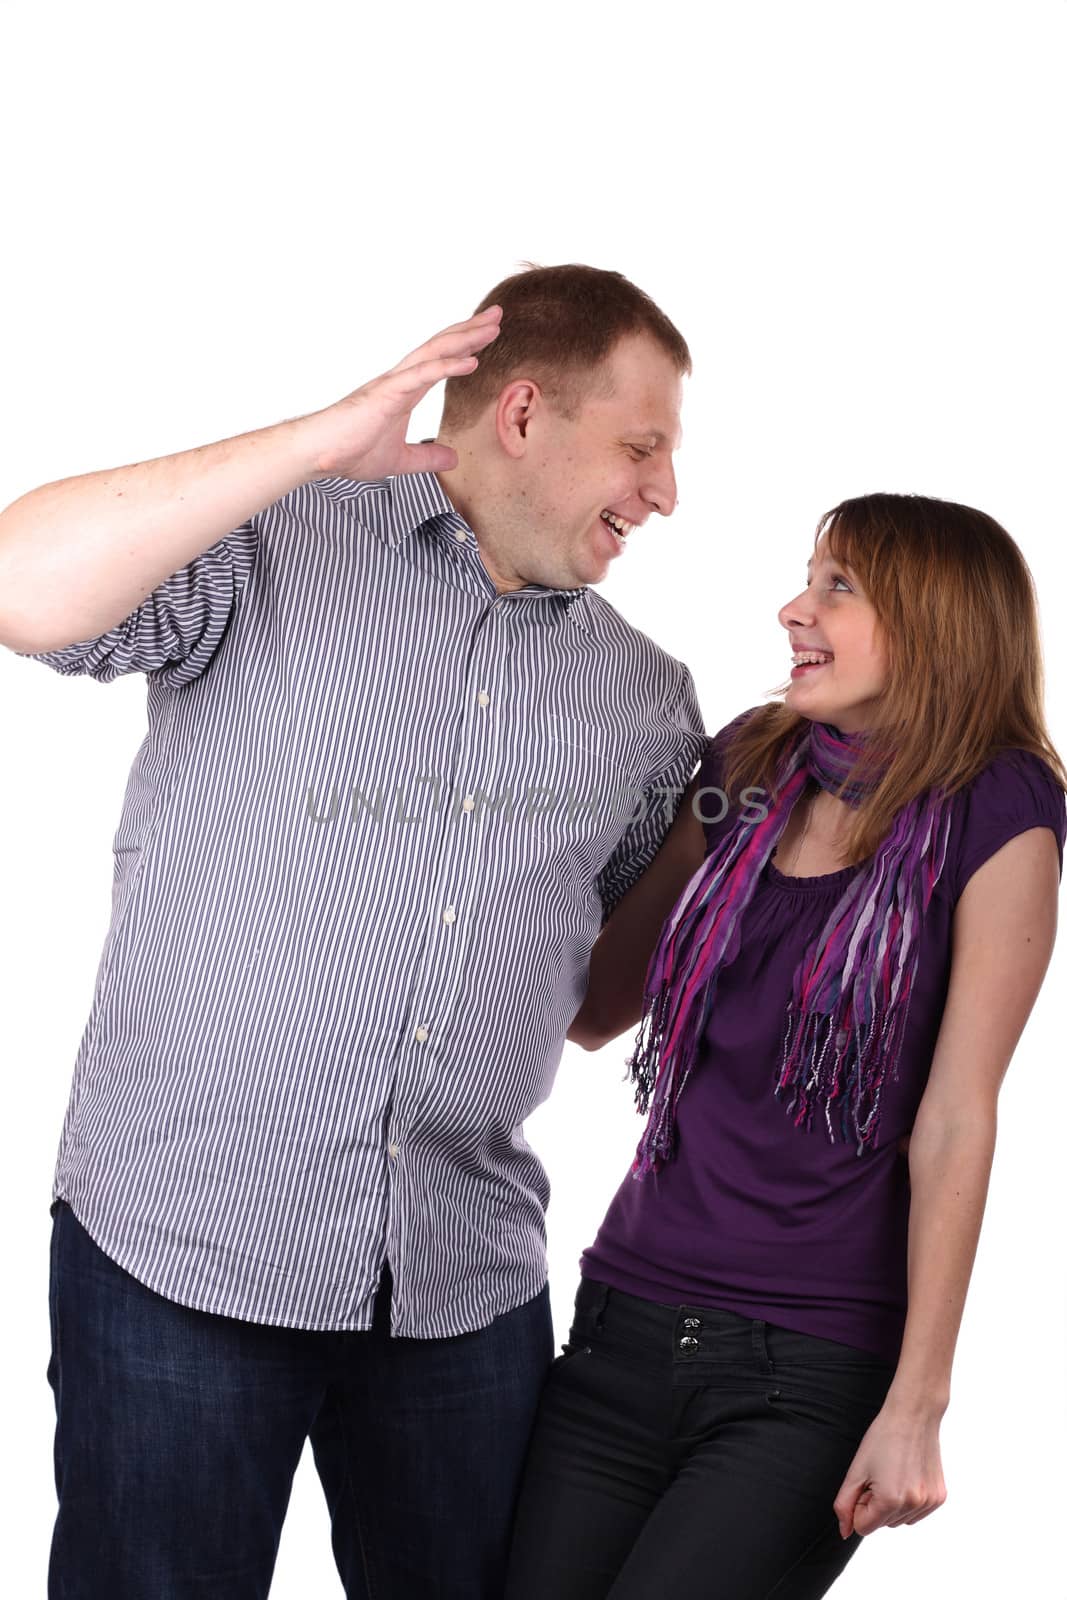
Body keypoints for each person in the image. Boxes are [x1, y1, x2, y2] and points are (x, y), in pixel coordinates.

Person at [0, 264, 705, 1599]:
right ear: (517, 417)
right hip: (185, 1250)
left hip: (459, 1285)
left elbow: (592, 1004)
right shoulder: (278, 541)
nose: (662, 493)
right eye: (638, 447)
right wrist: (324, 441)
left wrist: (721, 824)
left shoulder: (643, 699)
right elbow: (21, 588)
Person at [504, 492, 1066, 1600]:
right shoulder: (749, 762)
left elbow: (955, 1117)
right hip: (621, 1322)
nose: (790, 611)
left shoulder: (1002, 811)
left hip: (804, 1369)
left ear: (936, 619)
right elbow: (600, 1004)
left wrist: (917, 1403)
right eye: (807, 580)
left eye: (835, 588)